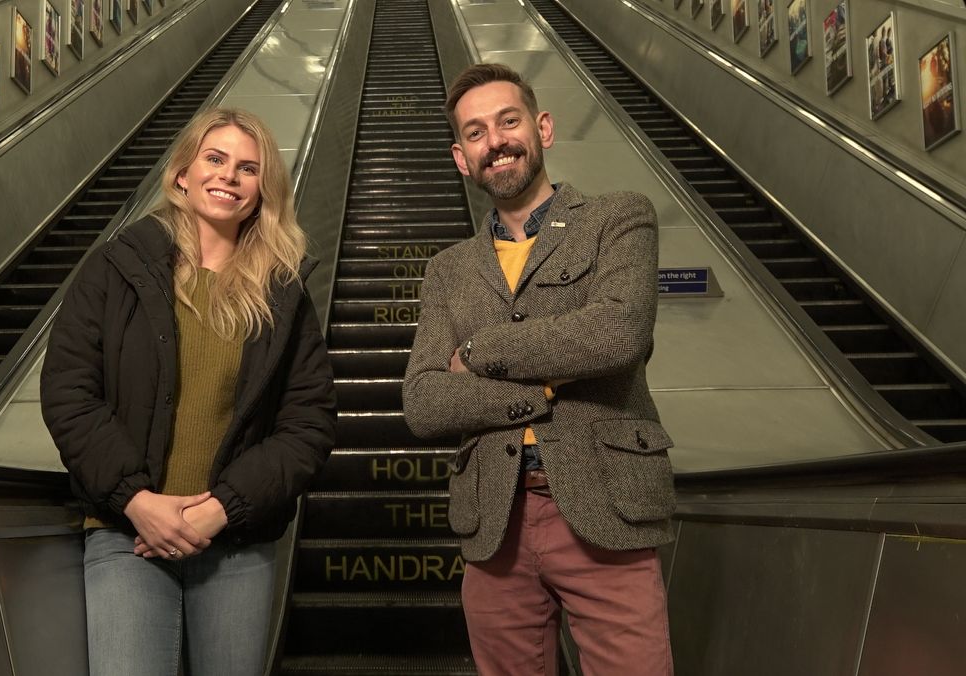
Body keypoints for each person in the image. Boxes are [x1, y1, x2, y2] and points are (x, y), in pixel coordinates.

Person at [41, 107, 337, 676]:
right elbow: (69, 392)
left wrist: (223, 508)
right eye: (215, 159)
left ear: (261, 189)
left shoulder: (281, 291)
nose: (229, 176)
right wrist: (135, 500)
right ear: (182, 172)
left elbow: (309, 423)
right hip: (128, 535)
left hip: (235, 544)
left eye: (248, 168)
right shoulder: (114, 268)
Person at [402, 64, 676, 675]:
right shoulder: (448, 270)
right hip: (494, 522)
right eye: (475, 133)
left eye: (508, 120)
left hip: (605, 507)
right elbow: (423, 402)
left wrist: (474, 355)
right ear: (460, 157)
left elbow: (615, 334)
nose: (495, 140)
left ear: (542, 127)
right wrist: (547, 383)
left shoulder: (618, 218)